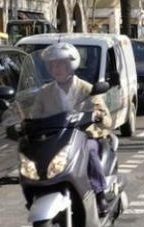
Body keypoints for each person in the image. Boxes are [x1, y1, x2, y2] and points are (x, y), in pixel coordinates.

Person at [31, 43, 113, 215]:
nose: (56, 68)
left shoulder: (87, 89)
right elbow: (34, 116)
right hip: (56, 141)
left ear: (71, 65)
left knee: (89, 151)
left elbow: (105, 119)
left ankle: (99, 194)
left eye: (60, 64)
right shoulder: (44, 92)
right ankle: (37, 194)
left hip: (83, 139)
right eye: (52, 65)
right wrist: (24, 125)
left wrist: (97, 115)